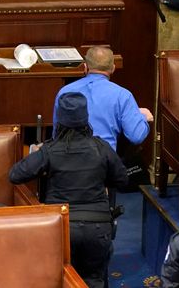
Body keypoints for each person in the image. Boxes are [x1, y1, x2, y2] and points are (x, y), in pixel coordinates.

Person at [10, 92, 128, 288]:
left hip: (63, 226)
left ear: (60, 119)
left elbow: (15, 175)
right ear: (85, 118)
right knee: (94, 280)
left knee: (61, 279)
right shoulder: (101, 148)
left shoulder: (49, 150)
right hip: (97, 227)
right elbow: (123, 180)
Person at [53, 46, 153, 152]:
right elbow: (136, 136)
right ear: (113, 68)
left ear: (85, 67)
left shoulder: (64, 92)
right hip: (103, 163)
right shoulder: (122, 95)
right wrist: (142, 117)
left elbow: (57, 134)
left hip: (67, 161)